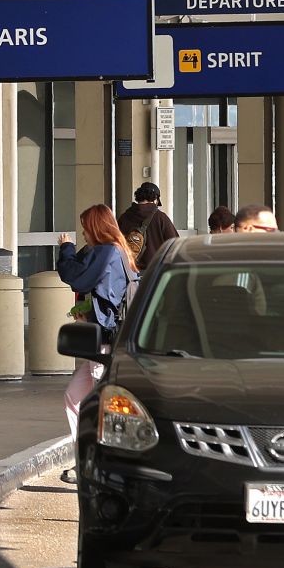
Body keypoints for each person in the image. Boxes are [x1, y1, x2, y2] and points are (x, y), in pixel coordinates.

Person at [56, 205, 137, 483]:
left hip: (105, 344)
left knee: (104, 407)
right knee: (74, 398)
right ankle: (87, 462)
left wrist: (66, 248)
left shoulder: (107, 252)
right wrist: (86, 312)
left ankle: (103, 467)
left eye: (85, 228)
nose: (82, 233)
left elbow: (75, 275)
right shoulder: (116, 251)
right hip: (105, 340)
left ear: (96, 227)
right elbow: (105, 294)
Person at [116, 182, 179, 268]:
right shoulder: (161, 218)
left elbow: (116, 243)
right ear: (155, 199)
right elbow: (175, 244)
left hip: (129, 272)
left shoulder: (125, 217)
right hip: (153, 273)